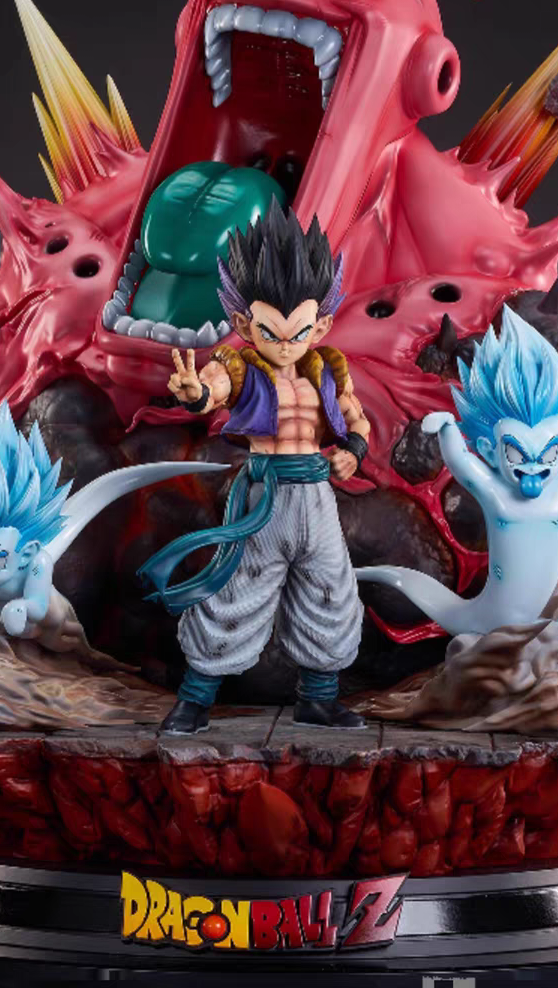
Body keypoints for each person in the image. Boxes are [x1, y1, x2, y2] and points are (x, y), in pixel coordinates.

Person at [139, 198, 371, 735]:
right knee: (235, 595)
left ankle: (318, 699)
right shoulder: (238, 364)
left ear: (321, 324)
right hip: (263, 496)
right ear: (245, 323)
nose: (286, 345)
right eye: (271, 332)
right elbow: (214, 389)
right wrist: (194, 393)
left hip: (315, 496)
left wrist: (352, 452)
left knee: (330, 593)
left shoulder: (328, 368)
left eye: (298, 332)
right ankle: (194, 701)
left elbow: (356, 421)